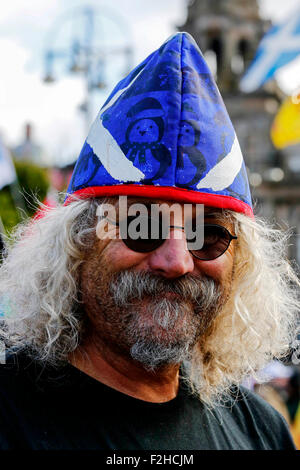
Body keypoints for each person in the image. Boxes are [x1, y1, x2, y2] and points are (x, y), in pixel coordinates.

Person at [0, 32, 299, 451]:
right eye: (141, 226)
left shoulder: (261, 431)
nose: (177, 261)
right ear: (77, 242)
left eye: (208, 234)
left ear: (241, 260)